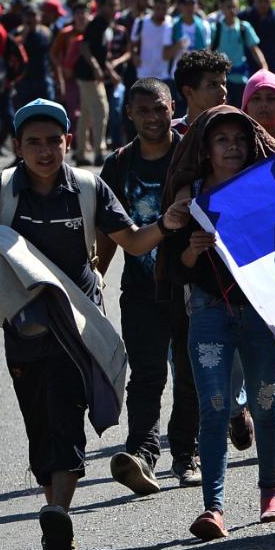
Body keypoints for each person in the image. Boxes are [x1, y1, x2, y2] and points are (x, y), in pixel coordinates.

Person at [0, 98, 191, 550]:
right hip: (26, 325)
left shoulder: (89, 188)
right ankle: (54, 503)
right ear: (18, 146)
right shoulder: (1, 191)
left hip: (79, 323)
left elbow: (131, 241)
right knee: (39, 421)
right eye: (34, 142)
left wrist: (166, 225)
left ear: (68, 142)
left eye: (54, 141)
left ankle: (60, 511)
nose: (46, 151)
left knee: (67, 412)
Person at [160, 106, 275, 540]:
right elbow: (175, 267)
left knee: (265, 402)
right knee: (214, 408)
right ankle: (213, 508)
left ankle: (271, 492)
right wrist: (193, 250)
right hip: (208, 313)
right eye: (222, 140)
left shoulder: (266, 188)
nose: (232, 146)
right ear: (206, 149)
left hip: (258, 312)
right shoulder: (190, 199)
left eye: (239, 138)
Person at [96, 78, 201, 494]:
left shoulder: (189, 154)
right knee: (147, 375)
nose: (153, 118)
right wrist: (98, 274)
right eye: (143, 111)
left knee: (191, 373)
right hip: (141, 290)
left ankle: (187, 453)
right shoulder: (118, 165)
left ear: (172, 106)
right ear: (130, 114)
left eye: (159, 109)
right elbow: (108, 230)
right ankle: (141, 454)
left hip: (191, 286)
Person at [72, 0, 121, 166]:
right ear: (100, 7)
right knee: (101, 110)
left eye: (115, 5)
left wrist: (109, 70)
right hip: (87, 75)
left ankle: (79, 153)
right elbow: (85, 48)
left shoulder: (107, 24)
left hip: (92, 74)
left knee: (86, 114)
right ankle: (99, 153)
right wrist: (96, 69)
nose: (114, 8)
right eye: (110, 5)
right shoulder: (97, 23)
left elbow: (101, 52)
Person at [207, 0, 265, 106]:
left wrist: (264, 67)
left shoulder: (244, 27)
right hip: (221, 81)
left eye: (234, 7)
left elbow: (255, 49)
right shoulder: (215, 29)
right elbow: (208, 51)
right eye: (229, 7)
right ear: (221, 7)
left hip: (241, 79)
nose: (232, 10)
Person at [171, 50, 232, 135]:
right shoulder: (170, 134)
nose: (224, 91)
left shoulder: (234, 131)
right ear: (188, 92)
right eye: (213, 84)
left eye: (223, 84)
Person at [131, 0, 177, 85]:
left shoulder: (171, 24)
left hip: (164, 77)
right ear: (153, 7)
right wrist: (135, 56)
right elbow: (132, 45)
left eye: (164, 9)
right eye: (158, 8)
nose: (161, 11)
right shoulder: (140, 23)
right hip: (143, 75)